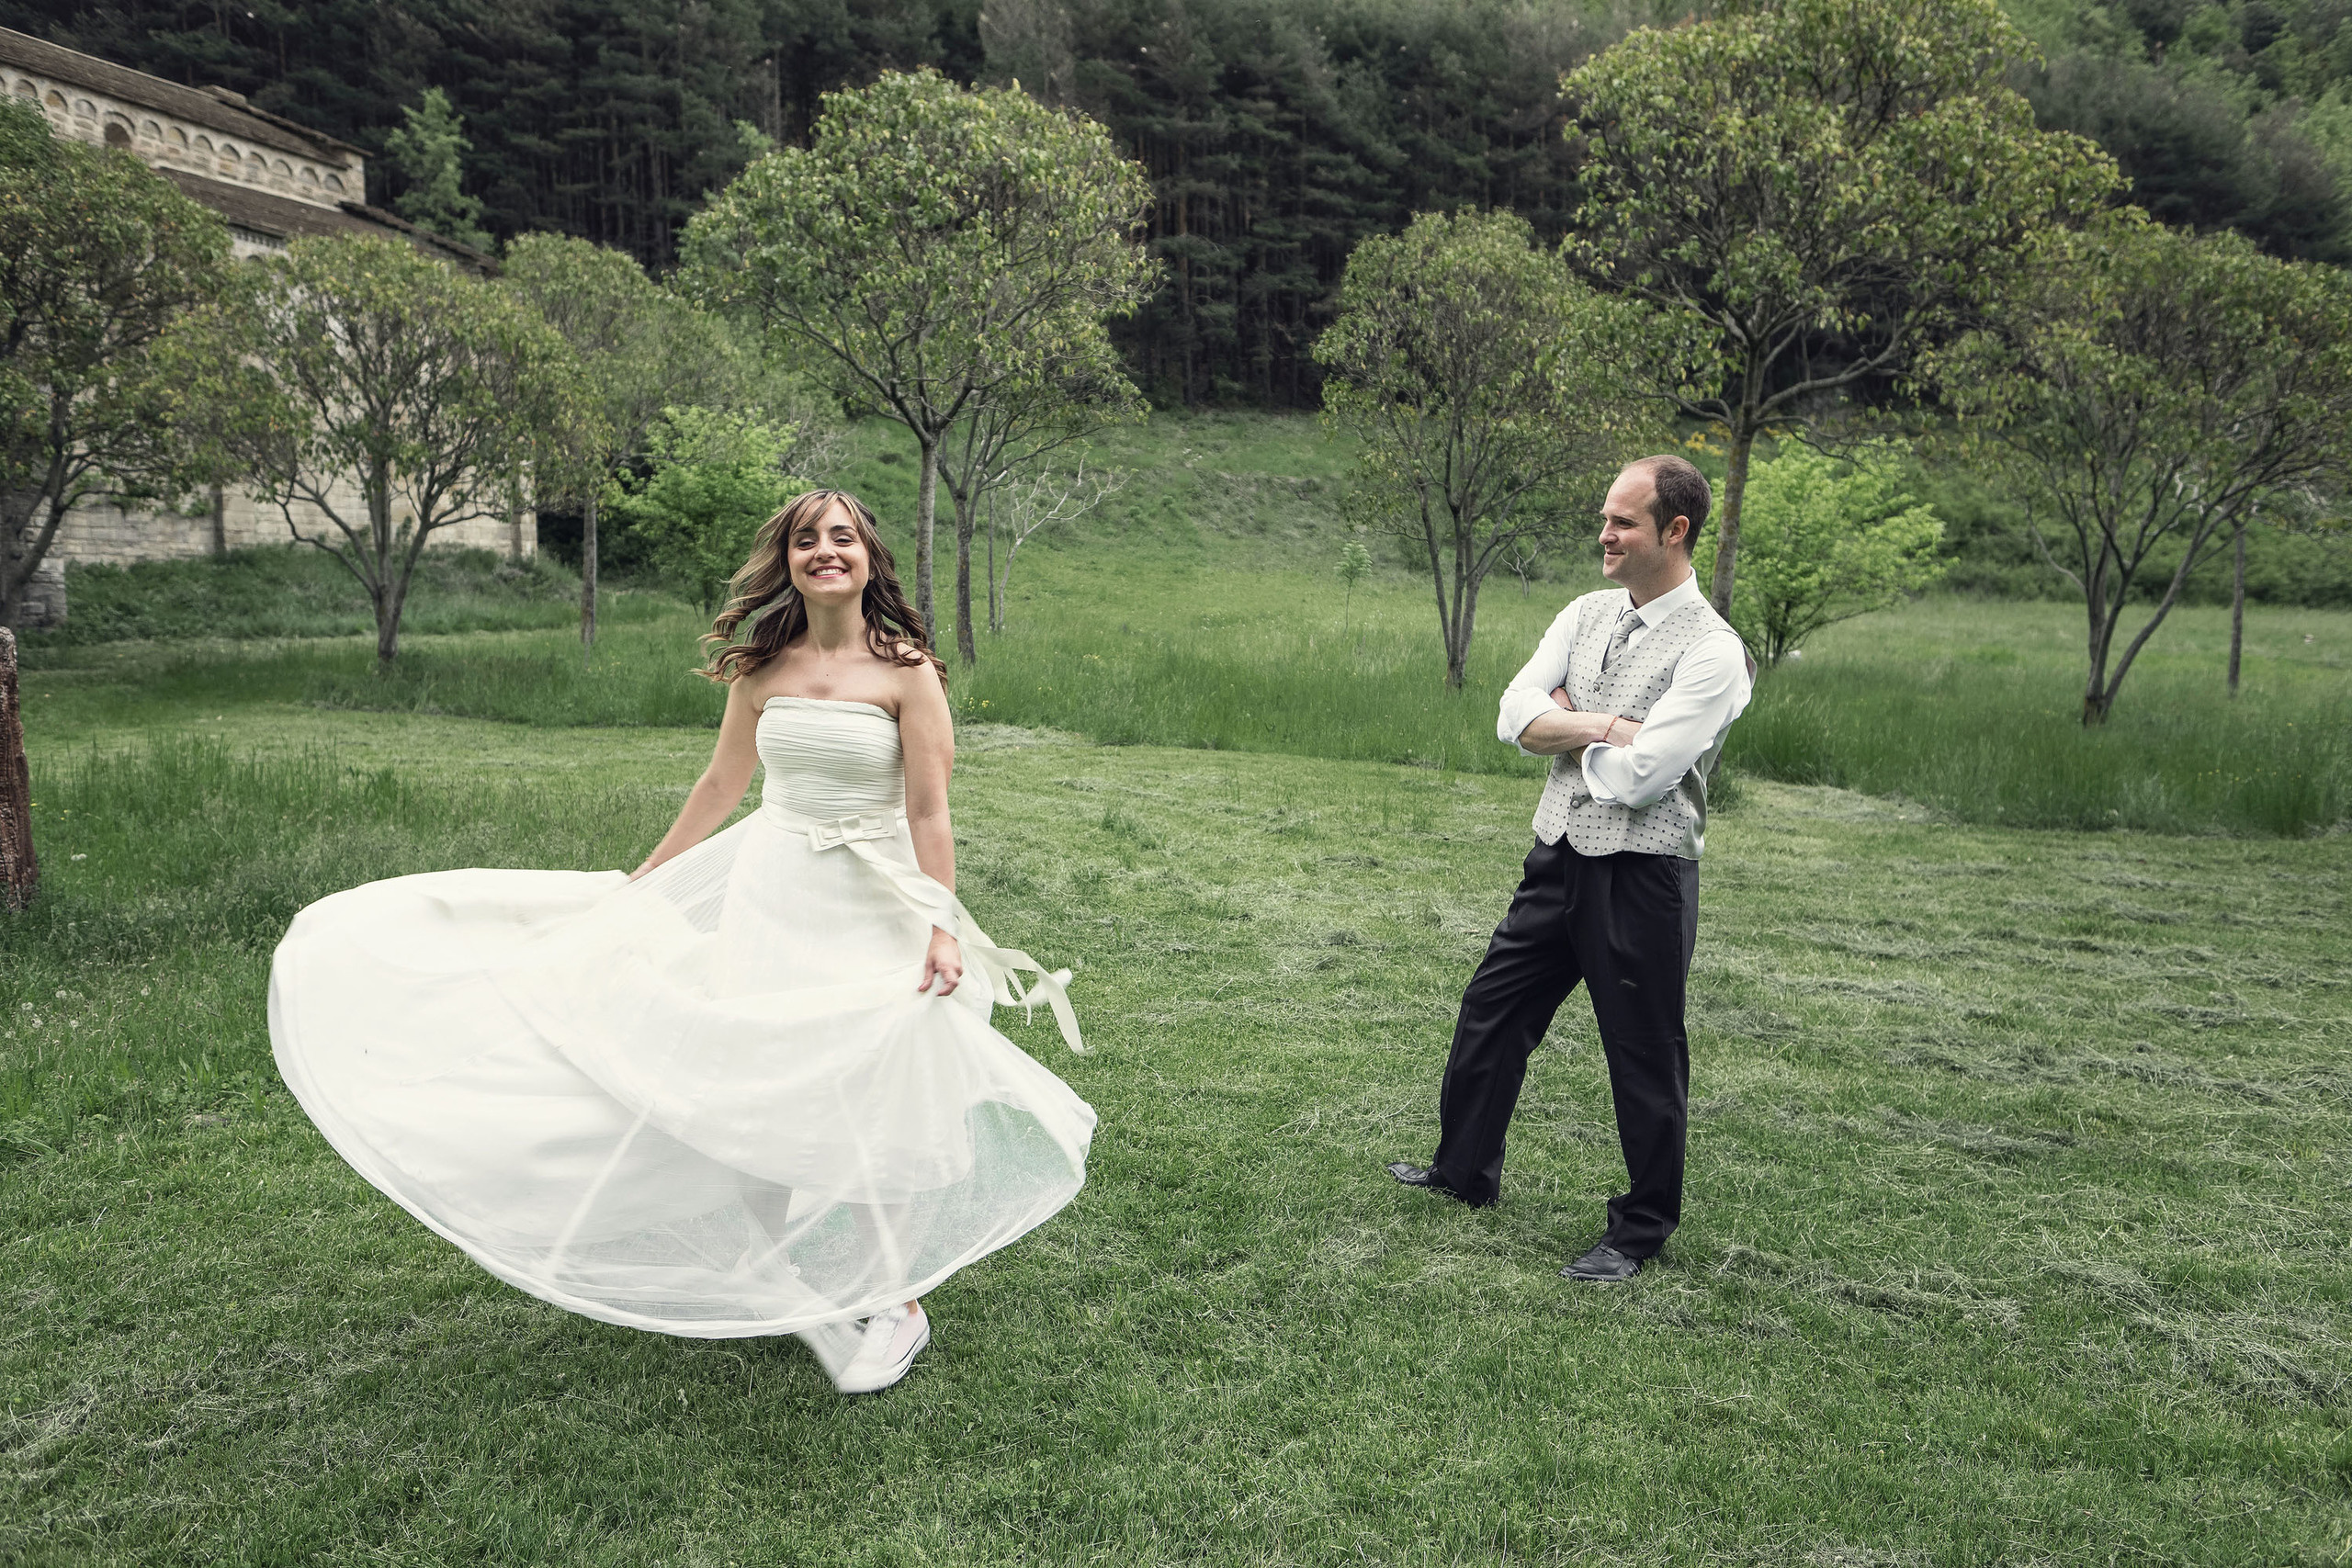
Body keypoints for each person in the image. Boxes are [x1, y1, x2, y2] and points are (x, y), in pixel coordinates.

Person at [269, 489, 1094, 1393]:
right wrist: (649, 878)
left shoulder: (908, 672)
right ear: (788, 561)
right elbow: (720, 782)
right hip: (776, 890)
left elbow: (930, 809)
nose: (826, 552)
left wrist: (940, 925)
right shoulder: (762, 668)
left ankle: (896, 1303)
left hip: (875, 901)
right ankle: (776, 1276)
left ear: (869, 559)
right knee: (755, 1069)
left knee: (876, 1079)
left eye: (843, 538)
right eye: (807, 540)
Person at [1385, 455, 1752, 1282]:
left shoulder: (1715, 652)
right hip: (1556, 854)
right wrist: (1612, 726)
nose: (1606, 534)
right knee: (1492, 1006)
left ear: (1675, 530)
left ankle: (1640, 1230)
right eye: (1607, 516)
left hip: (1644, 876)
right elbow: (1514, 712)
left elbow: (1646, 778)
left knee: (1643, 1051)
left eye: (1623, 521)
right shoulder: (1586, 612)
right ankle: (1462, 1172)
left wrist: (1572, 730)